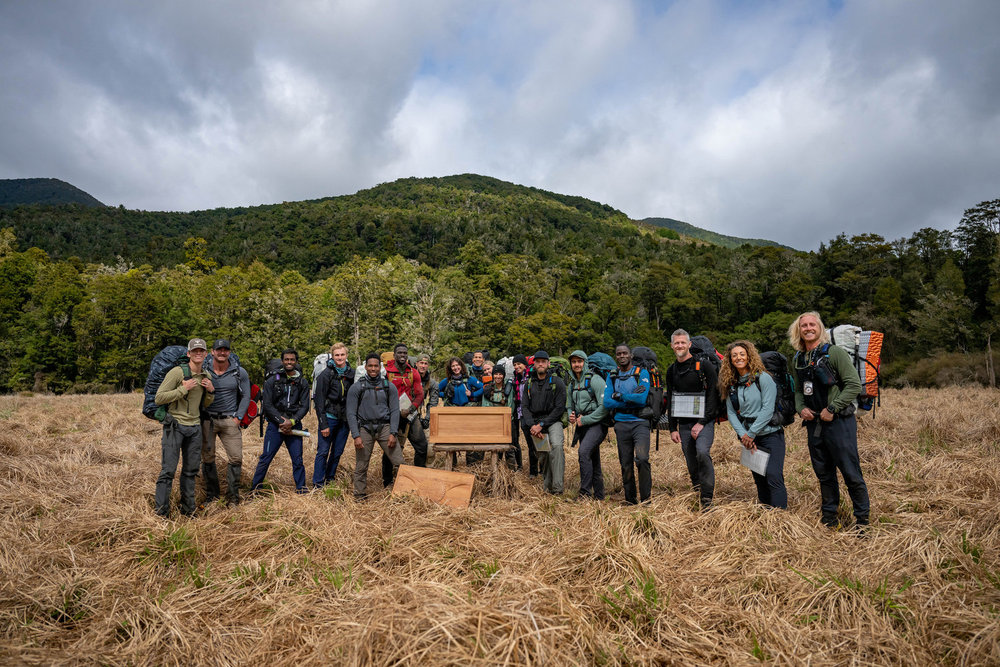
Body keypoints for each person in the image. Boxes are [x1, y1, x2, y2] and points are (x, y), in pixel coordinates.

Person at [790, 311, 869, 529]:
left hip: (839, 423)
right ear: (798, 330)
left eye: (812, 324)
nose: (808, 328)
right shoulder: (798, 358)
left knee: (851, 473)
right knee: (824, 474)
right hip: (814, 424)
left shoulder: (834, 353)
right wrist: (801, 408)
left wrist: (832, 408)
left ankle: (862, 521)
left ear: (820, 328)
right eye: (803, 325)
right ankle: (830, 518)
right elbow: (797, 390)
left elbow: (853, 384)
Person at [719, 340, 787, 509]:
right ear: (730, 360)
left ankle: (780, 518)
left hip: (770, 435)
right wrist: (743, 435)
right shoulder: (731, 383)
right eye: (734, 355)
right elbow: (732, 413)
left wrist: (751, 433)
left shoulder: (763, 378)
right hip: (749, 438)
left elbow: (767, 409)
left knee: (773, 475)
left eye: (742, 354)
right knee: (759, 477)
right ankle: (765, 513)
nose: (738, 358)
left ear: (749, 356)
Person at [153, 338, 214, 517]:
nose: (198, 353)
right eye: (194, 351)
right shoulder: (176, 373)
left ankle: (188, 510)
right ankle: (161, 513)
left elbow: (206, 403)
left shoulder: (206, 376)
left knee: (190, 471)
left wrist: (211, 391)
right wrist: (183, 389)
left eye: (201, 351)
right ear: (188, 354)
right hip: (175, 426)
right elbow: (159, 398)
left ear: (205, 354)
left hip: (194, 428)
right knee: (168, 471)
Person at [665, 329, 720, 509]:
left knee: (702, 453)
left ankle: (707, 499)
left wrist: (702, 422)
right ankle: (697, 491)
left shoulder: (704, 366)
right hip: (684, 424)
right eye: (676, 343)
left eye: (683, 342)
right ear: (672, 346)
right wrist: (672, 428)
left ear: (689, 345)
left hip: (705, 421)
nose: (680, 346)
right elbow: (671, 398)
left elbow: (713, 395)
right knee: (690, 460)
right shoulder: (671, 370)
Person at [250, 349, 310, 494]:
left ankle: (301, 489)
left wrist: (292, 421)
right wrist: (280, 421)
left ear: (296, 361)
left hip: (294, 426)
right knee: (266, 458)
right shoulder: (272, 381)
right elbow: (267, 405)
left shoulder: (302, 382)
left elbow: (305, 406)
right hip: (274, 426)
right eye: (286, 359)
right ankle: (255, 490)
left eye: (292, 360)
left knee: (298, 460)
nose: (289, 362)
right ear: (282, 361)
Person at [201, 339, 251, 506]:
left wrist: (238, 417)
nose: (222, 353)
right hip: (208, 420)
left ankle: (233, 497)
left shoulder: (239, 372)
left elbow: (246, 396)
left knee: (236, 458)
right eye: (218, 350)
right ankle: (212, 495)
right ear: (212, 352)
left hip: (230, 420)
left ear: (229, 352)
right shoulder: (204, 370)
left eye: (225, 350)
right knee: (208, 458)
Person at [346, 353, 402, 499]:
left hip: (385, 427)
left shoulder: (389, 386)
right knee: (362, 464)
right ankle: (359, 494)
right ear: (365, 367)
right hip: (364, 428)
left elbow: (395, 410)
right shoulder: (357, 387)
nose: (373, 368)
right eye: (370, 366)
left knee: (399, 462)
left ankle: (404, 492)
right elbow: (351, 413)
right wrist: (356, 435)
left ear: (380, 367)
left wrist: (393, 432)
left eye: (376, 366)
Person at [603, 344, 652, 505]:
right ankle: (630, 500)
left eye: (625, 353)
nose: (622, 356)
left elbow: (641, 399)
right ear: (616, 356)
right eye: (619, 354)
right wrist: (629, 398)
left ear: (631, 355)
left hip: (640, 423)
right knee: (625, 463)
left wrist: (620, 396)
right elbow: (607, 402)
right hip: (621, 424)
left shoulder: (641, 373)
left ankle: (646, 499)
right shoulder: (612, 376)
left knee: (642, 459)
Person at [521, 350, 567, 495]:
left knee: (557, 447)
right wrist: (532, 425)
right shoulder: (529, 383)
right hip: (535, 423)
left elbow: (560, 408)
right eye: (537, 361)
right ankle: (548, 488)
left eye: (543, 361)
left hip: (553, 421)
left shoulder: (557, 382)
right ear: (534, 364)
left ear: (548, 363)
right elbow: (525, 407)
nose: (540, 364)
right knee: (544, 454)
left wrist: (542, 425)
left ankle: (558, 488)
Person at [566, 349, 610, 500]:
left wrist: (584, 420)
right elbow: (569, 405)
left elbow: (604, 407)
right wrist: (570, 416)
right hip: (582, 425)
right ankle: (599, 496)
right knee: (593, 458)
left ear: (585, 362)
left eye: (579, 361)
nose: (576, 364)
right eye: (574, 362)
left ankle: (584, 493)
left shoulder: (595, 379)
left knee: (583, 452)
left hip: (598, 424)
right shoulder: (572, 383)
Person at [382, 343, 426, 486]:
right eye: (399, 353)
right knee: (390, 447)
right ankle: (388, 481)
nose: (402, 355)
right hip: (391, 415)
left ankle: (419, 478)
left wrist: (411, 409)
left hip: (409, 414)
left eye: (405, 353)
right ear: (394, 355)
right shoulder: (386, 371)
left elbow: (420, 395)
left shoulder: (413, 372)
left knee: (422, 447)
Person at [312, 342, 355, 488]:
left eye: (342, 354)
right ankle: (318, 483)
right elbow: (319, 401)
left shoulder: (351, 374)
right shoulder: (326, 375)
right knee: (323, 452)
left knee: (337, 452)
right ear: (332, 356)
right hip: (329, 418)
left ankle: (329, 479)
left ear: (346, 356)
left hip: (344, 420)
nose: (340, 357)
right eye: (337, 355)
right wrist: (323, 424)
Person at [509, 354, 533, 473]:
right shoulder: (516, 378)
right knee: (529, 442)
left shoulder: (531, 376)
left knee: (534, 443)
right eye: (515, 365)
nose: (517, 366)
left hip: (532, 413)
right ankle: (532, 471)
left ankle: (536, 470)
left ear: (525, 364)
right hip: (521, 413)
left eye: (519, 364)